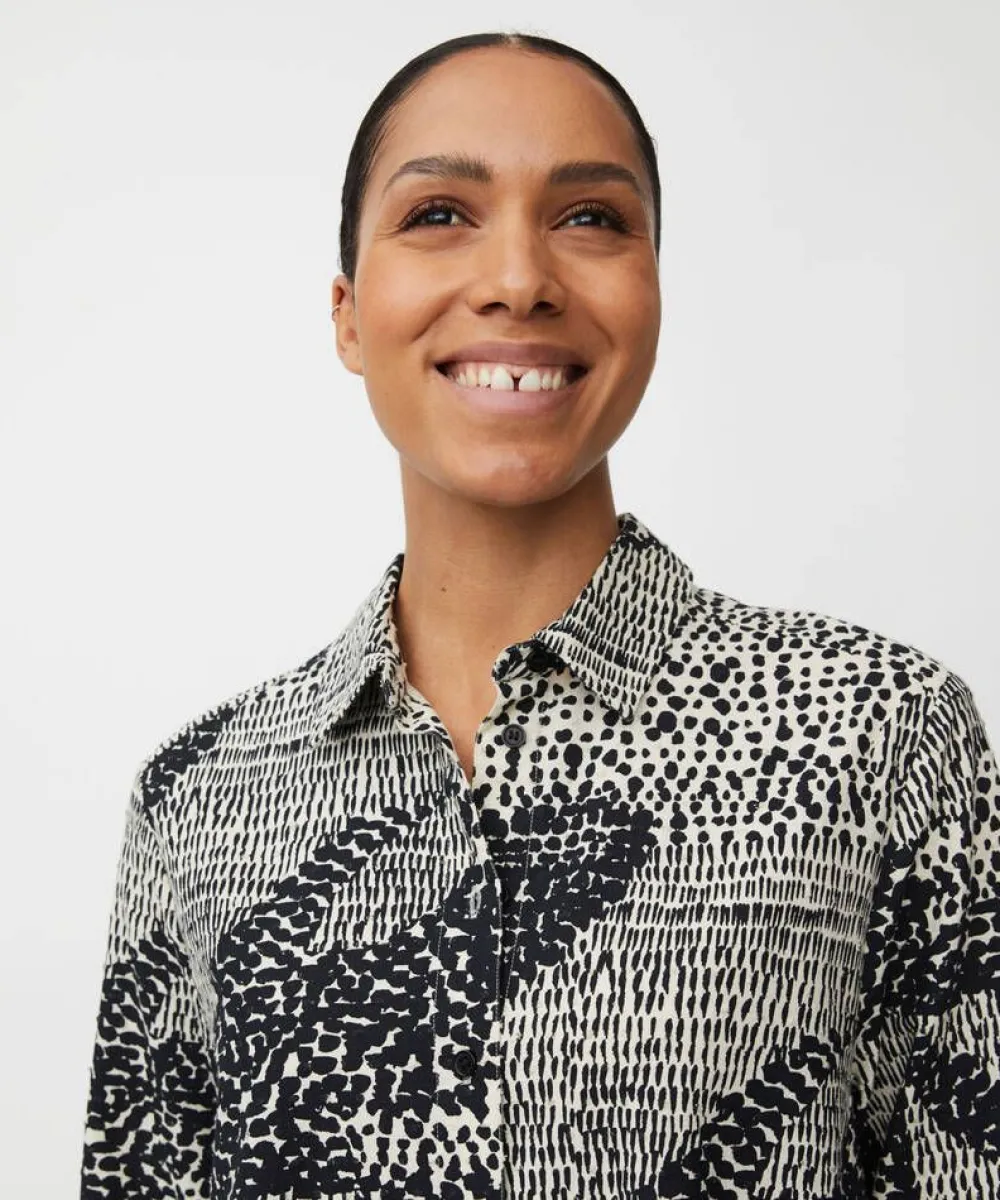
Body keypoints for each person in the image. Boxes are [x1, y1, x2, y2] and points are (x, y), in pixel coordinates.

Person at [79, 30, 999, 1200]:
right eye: (438, 215)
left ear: (654, 295)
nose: (518, 277)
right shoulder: (198, 797)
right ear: (348, 315)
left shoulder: (879, 733)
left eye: (590, 218)